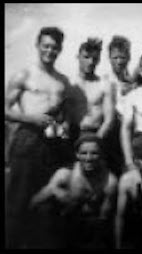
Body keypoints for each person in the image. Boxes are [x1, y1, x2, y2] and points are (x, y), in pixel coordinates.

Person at [5, 26, 74, 248]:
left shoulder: (62, 81)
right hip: (27, 140)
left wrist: (63, 127)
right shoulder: (24, 74)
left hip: (52, 144)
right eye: (46, 46)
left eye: (55, 47)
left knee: (46, 202)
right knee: (18, 201)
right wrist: (30, 118)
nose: (50, 51)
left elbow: (64, 116)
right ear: (37, 45)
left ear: (60, 49)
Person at [30, 134, 118, 248]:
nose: (88, 158)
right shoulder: (65, 174)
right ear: (77, 155)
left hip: (91, 229)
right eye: (84, 153)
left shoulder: (109, 181)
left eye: (94, 153)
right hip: (65, 224)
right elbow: (34, 202)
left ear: (102, 155)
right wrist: (54, 190)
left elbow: (104, 219)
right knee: (46, 210)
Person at [67, 37, 114, 141]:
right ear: (78, 57)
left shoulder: (104, 84)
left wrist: (97, 139)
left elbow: (109, 119)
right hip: (73, 133)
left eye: (95, 58)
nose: (90, 62)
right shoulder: (69, 83)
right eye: (86, 57)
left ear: (99, 60)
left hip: (96, 132)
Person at [105, 35, 135, 175]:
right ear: (109, 58)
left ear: (128, 58)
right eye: (115, 57)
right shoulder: (105, 80)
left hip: (130, 130)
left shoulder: (133, 81)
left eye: (122, 57)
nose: (119, 61)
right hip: (112, 131)